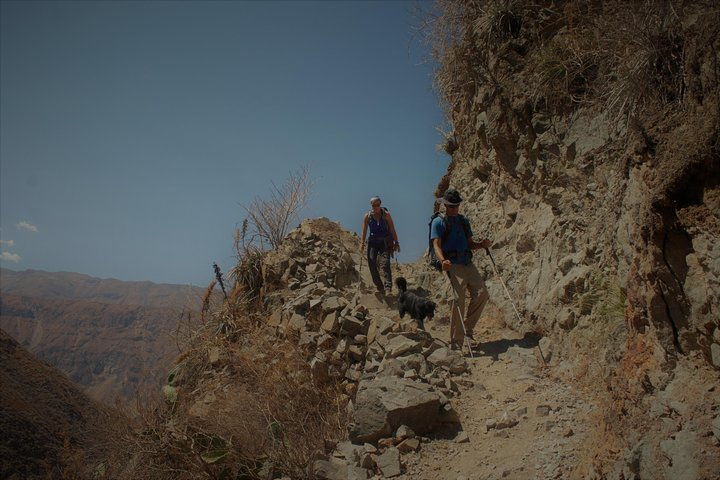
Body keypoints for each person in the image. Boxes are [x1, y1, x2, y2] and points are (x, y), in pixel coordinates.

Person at [431, 188, 492, 350]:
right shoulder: (439, 222)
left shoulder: (463, 221)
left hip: (467, 262)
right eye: (452, 206)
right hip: (452, 264)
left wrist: (481, 245)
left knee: (482, 293)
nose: (455, 208)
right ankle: (456, 343)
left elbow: (470, 244)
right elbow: (436, 244)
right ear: (445, 206)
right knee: (458, 300)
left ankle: (467, 329)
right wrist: (443, 261)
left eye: (457, 205)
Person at [360, 196, 399, 296]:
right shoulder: (367, 216)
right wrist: (362, 243)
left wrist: (396, 242)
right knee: (371, 263)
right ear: (371, 205)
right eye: (374, 205)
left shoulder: (386, 215)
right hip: (372, 243)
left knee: (385, 263)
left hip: (384, 242)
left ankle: (388, 288)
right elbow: (364, 231)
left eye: (377, 205)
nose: (376, 207)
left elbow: (392, 229)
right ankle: (379, 286)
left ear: (380, 205)